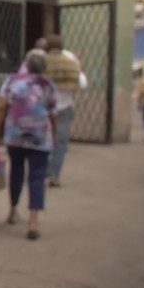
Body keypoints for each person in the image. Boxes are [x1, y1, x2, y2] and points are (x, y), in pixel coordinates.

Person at [0, 50, 56, 240]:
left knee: (16, 172)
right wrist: (55, 134)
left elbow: (1, 107)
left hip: (15, 135)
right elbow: (53, 112)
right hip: (40, 137)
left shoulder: (11, 81)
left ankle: (12, 211)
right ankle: (33, 222)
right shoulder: (47, 84)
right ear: (44, 66)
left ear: (26, 63)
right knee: (37, 177)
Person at [42, 34, 86, 187]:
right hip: (65, 107)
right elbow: (82, 84)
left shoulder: (42, 60)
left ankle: (42, 170)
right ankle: (54, 175)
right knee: (61, 143)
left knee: (43, 140)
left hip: (44, 108)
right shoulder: (70, 59)